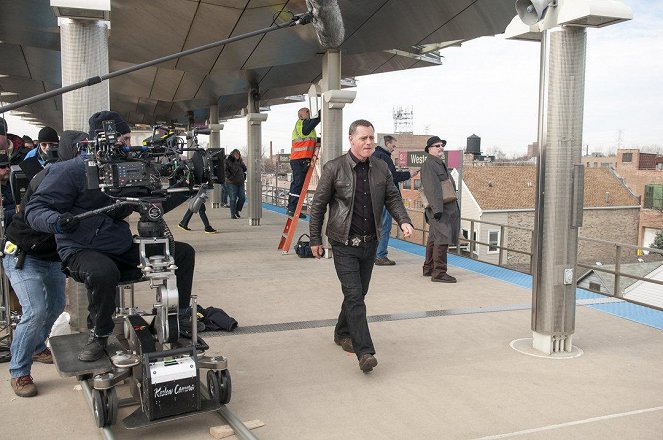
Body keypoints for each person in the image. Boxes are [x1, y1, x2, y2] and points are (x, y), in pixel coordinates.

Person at [25, 111, 198, 362]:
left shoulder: (126, 167)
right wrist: (58, 222)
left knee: (182, 253)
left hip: (118, 244)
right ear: (104, 139)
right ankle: (99, 333)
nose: (128, 145)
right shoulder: (68, 171)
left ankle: (179, 317)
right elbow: (35, 210)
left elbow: (145, 203)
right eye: (124, 139)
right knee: (103, 272)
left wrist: (184, 190)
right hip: (79, 247)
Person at [309, 119, 414, 373]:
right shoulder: (334, 168)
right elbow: (318, 206)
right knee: (355, 296)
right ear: (351, 140)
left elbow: (392, 197)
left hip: (370, 244)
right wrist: (314, 240)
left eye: (371, 138)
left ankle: (341, 331)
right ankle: (364, 352)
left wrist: (404, 220)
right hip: (343, 243)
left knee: (358, 294)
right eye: (363, 138)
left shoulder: (381, 168)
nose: (369, 142)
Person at [3, 131, 86, 397]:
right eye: (83, 150)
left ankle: (38, 347)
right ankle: (19, 371)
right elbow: (38, 216)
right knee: (36, 310)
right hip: (23, 254)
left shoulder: (85, 178)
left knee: (55, 307)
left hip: (49, 256)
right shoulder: (51, 177)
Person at [372, 135, 420, 266]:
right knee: (385, 227)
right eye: (393, 146)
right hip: (386, 198)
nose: (394, 149)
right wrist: (409, 174)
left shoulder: (374, 155)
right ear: (387, 143)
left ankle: (374, 254)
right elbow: (392, 177)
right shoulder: (385, 157)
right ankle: (380, 255)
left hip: (376, 197)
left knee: (377, 227)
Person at [420, 136, 460, 283]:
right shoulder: (429, 164)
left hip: (443, 209)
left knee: (433, 238)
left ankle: (429, 268)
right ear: (429, 149)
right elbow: (432, 189)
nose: (441, 148)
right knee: (442, 239)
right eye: (437, 146)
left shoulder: (438, 164)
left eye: (442, 145)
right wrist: (437, 210)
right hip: (440, 210)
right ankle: (439, 272)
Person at [287, 107, 320, 218]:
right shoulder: (303, 124)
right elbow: (311, 125)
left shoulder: (306, 126)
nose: (310, 114)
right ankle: (292, 209)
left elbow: (310, 139)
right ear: (301, 115)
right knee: (298, 184)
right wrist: (321, 112)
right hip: (299, 159)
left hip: (300, 159)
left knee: (297, 184)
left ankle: (293, 209)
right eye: (307, 112)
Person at [224, 149, 246, 219]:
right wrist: (230, 177)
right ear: (232, 154)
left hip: (240, 182)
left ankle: (237, 210)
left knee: (242, 198)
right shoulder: (228, 161)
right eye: (236, 154)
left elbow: (244, 169)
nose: (237, 155)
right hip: (231, 183)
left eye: (238, 154)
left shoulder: (240, 161)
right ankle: (232, 214)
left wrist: (242, 165)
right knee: (233, 199)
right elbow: (225, 171)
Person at [0, 153, 16, 226]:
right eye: (3, 167)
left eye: (8, 166)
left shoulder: (14, 183)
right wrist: (18, 210)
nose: (7, 169)